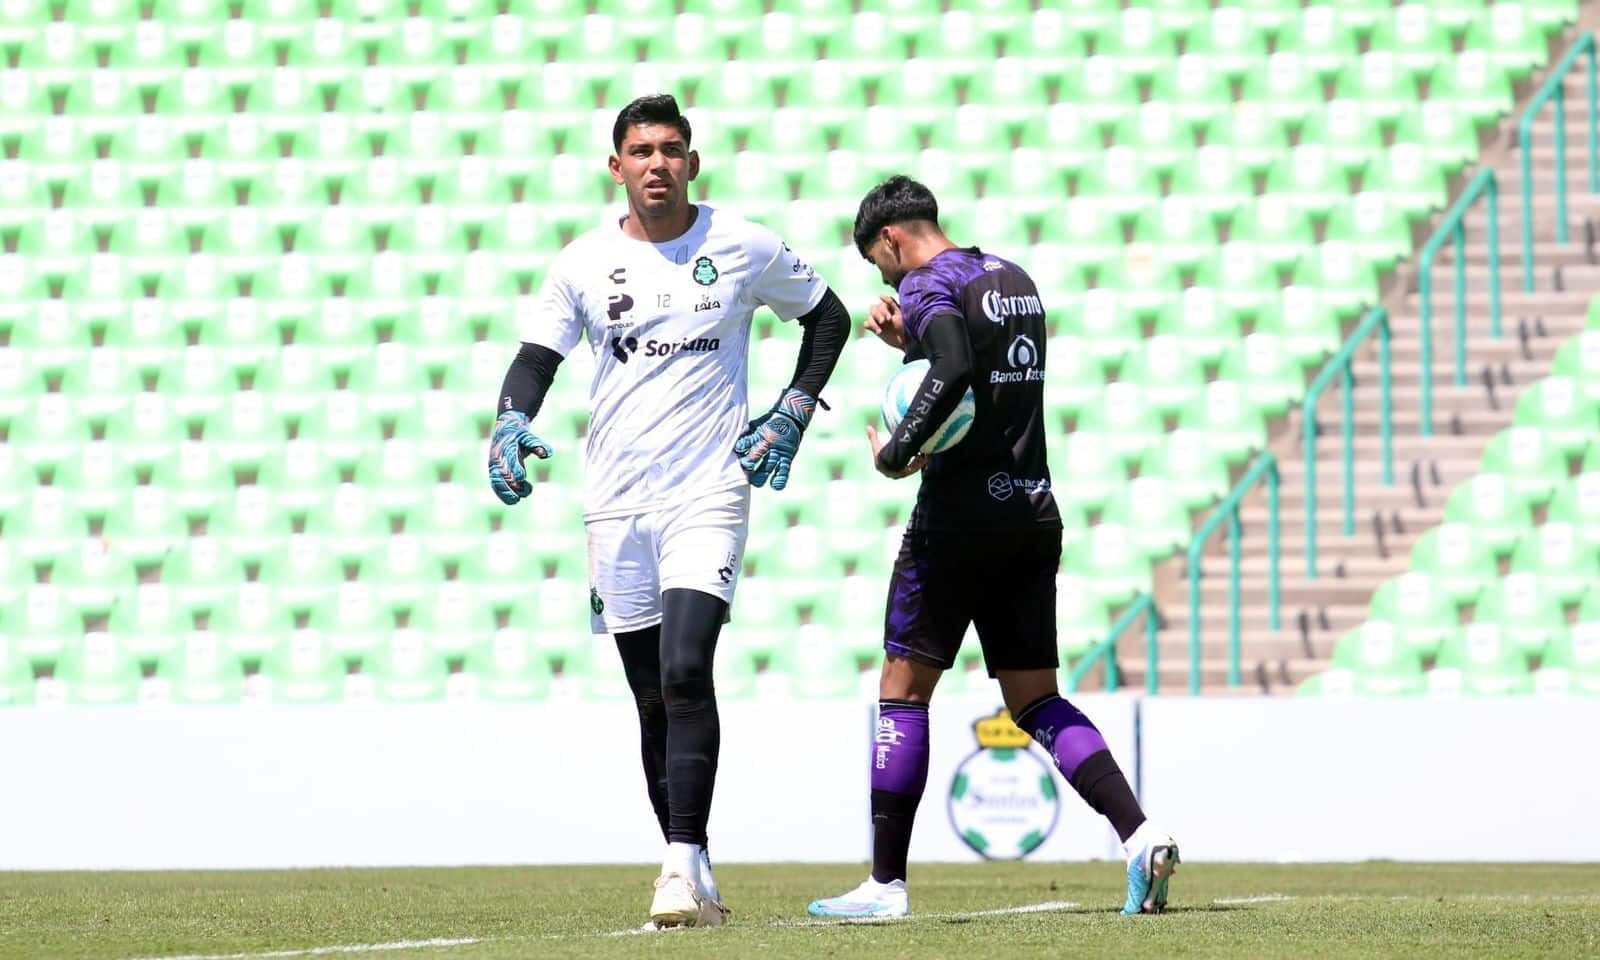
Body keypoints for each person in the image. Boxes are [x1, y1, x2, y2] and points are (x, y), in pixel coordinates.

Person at [488, 94, 850, 929]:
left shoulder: (743, 244)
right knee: (651, 694)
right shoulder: (580, 262)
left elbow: (826, 316)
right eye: (642, 151)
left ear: (694, 161)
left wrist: (795, 406)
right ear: (616, 167)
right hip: (614, 503)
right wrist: (512, 419)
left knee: (689, 668)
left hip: (708, 491)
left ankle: (677, 867)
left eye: (672, 148)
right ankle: (696, 863)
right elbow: (535, 357)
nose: (658, 162)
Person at [806, 176, 1178, 919]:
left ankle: (885, 886)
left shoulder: (926, 281)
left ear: (891, 240)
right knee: (1035, 697)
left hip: (956, 520)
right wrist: (908, 340)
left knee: (902, 692)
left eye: (883, 267)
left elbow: (951, 370)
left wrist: (896, 452)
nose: (890, 280)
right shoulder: (1014, 280)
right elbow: (982, 372)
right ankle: (1141, 836)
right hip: (1031, 512)